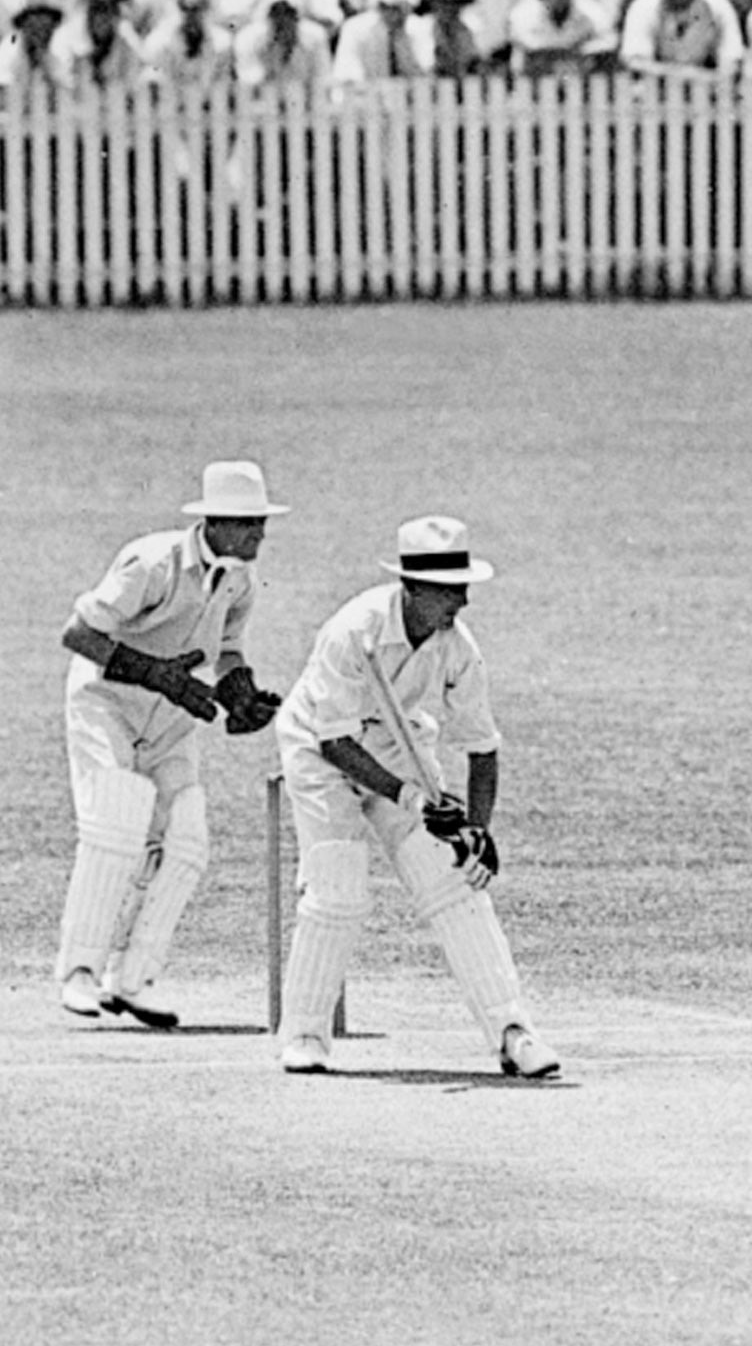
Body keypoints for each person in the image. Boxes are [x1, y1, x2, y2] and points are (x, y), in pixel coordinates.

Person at [271, 517, 560, 1080]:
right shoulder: (352, 631)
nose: (463, 600)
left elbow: (482, 748)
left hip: (398, 743)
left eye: (464, 586)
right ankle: (305, 1035)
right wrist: (410, 797)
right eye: (451, 590)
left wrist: (477, 831)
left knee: (451, 879)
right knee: (337, 887)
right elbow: (335, 741)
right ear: (414, 589)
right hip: (318, 748)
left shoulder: (458, 647)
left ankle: (512, 1032)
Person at [51, 462, 295, 1027]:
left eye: (261, 522)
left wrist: (241, 694)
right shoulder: (152, 562)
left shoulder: (239, 580)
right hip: (105, 702)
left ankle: (131, 980)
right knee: (116, 825)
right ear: (214, 522)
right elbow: (78, 633)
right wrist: (156, 674)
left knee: (187, 840)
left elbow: (228, 648)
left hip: (172, 718)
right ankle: (79, 975)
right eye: (248, 524)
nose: (259, 535)